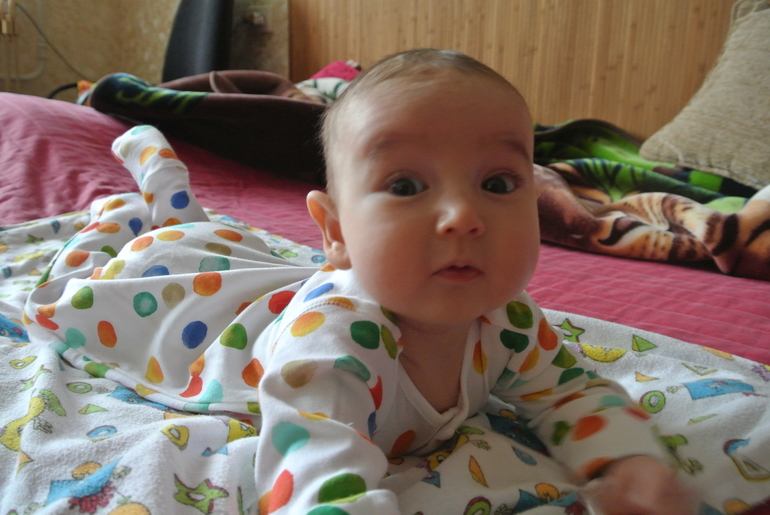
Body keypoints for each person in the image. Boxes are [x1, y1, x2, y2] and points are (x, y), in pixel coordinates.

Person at [24, 49, 698, 514]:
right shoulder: (335, 338)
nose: (463, 216)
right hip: (203, 309)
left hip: (266, 276)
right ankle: (133, 204)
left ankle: (170, 196)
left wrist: (626, 461)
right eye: (405, 186)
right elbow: (314, 463)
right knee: (100, 283)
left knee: (207, 237)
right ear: (337, 232)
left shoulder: (507, 319)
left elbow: (570, 391)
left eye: (497, 183)